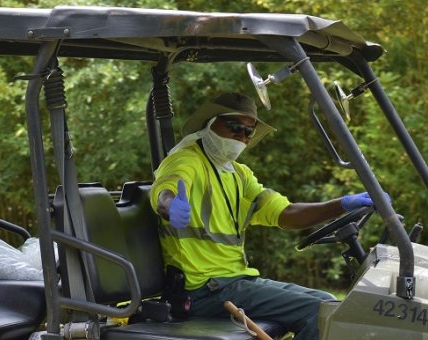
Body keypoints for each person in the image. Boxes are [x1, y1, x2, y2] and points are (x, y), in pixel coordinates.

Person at [150, 92, 384, 340]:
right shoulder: (186, 160)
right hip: (201, 290)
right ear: (210, 122)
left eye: (248, 132)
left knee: (327, 302)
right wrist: (169, 205)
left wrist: (344, 204)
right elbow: (165, 189)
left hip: (233, 282)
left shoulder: (239, 174)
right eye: (235, 127)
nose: (241, 137)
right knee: (317, 312)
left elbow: (286, 214)